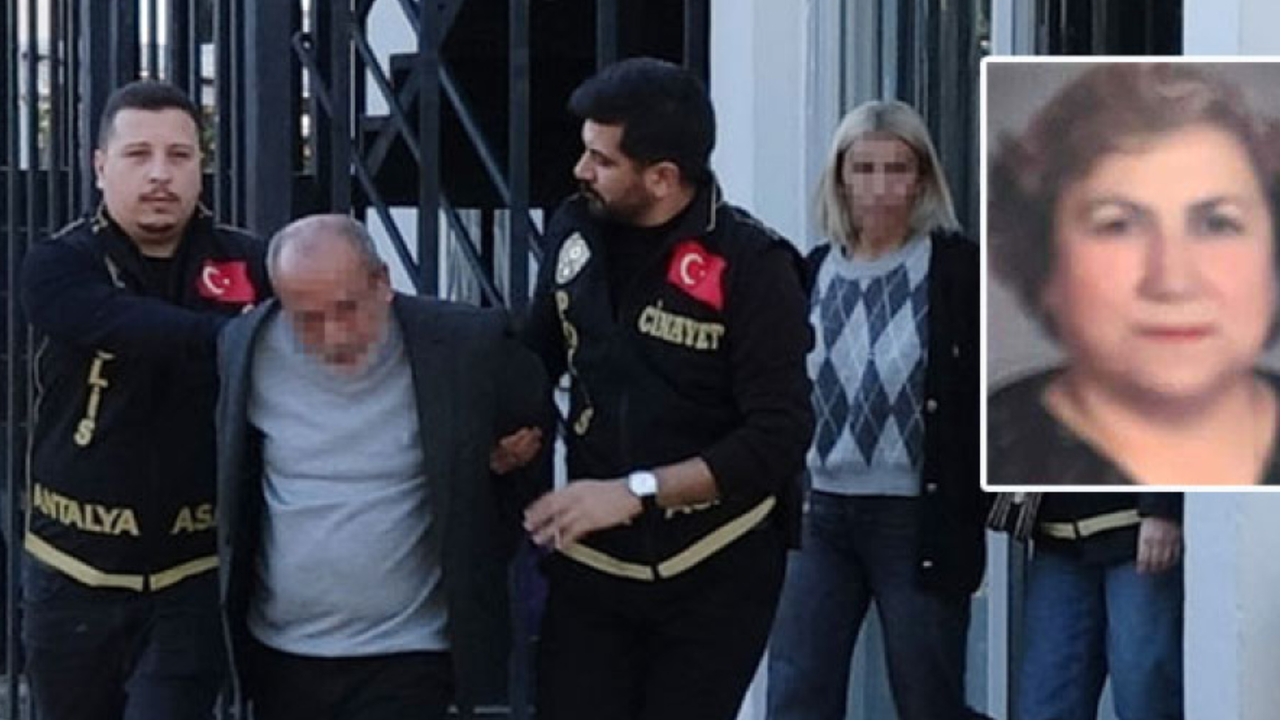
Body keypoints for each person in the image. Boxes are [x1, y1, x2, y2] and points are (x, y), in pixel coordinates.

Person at [520, 57, 814, 720]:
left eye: (602, 160)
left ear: (662, 178)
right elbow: (538, 353)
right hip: (593, 562)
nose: (580, 170)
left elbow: (778, 437)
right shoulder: (574, 228)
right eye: (585, 150)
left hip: (713, 562)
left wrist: (637, 492)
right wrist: (512, 427)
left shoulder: (752, 264)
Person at [984, 62, 1249, 718]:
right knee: (1046, 702)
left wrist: (1165, 507)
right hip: (1060, 525)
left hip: (1136, 524)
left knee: (1145, 692)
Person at [216, 214, 550, 720]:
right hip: (281, 652)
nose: (334, 336)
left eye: (347, 309)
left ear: (383, 283)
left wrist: (488, 470)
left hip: (409, 650)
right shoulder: (246, 347)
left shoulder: (464, 346)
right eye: (306, 319)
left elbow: (529, 429)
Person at [19, 80, 267, 720]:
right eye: (138, 155)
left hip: (192, 575)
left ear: (201, 166)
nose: (161, 174)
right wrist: (237, 336)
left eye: (179, 155)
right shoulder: (59, 264)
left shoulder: (251, 262)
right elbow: (125, 326)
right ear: (101, 166)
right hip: (71, 574)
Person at [764, 100, 985, 720]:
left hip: (916, 514)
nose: (880, 186)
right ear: (840, 178)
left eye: (897, 168)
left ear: (922, 179)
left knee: (926, 692)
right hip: (819, 511)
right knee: (798, 688)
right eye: (863, 168)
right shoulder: (810, 272)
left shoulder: (957, 271)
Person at [988, 61, 1280, 486]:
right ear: (1044, 261)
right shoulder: (983, 451)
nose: (1172, 281)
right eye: (1118, 226)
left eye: (1218, 224)